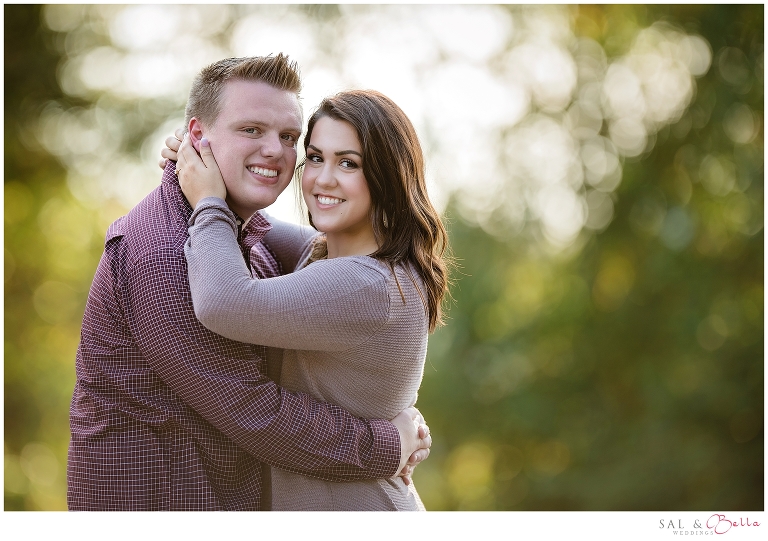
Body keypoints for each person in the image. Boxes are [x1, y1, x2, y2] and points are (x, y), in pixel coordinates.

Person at [68, 54, 431, 511]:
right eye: (251, 130)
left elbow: (237, 290)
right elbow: (255, 413)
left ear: (387, 176)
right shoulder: (165, 253)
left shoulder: (346, 273)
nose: (280, 155)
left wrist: (203, 183)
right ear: (200, 135)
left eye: (288, 138)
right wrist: (386, 443)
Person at [169, 88, 450, 510]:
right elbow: (256, 221)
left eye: (349, 164)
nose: (323, 178)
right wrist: (203, 161)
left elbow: (223, 301)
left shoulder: (366, 283)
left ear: (389, 178)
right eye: (316, 157)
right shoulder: (329, 253)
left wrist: (207, 198)